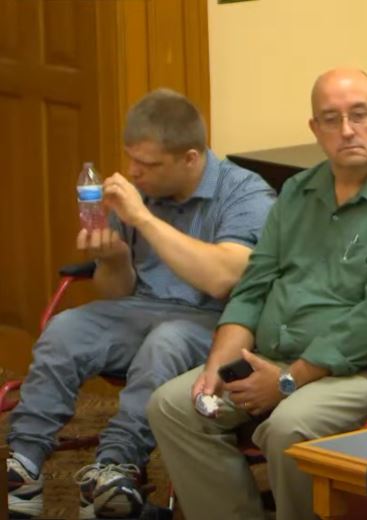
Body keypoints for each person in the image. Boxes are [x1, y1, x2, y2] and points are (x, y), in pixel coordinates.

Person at [147, 68, 367, 520]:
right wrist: (217, 365)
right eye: (331, 119)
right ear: (315, 129)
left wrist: (288, 381)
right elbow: (253, 286)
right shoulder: (297, 191)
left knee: (290, 426)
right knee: (174, 406)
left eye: (359, 114)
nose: (347, 130)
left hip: (360, 372)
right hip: (270, 359)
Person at [6, 88, 276, 519]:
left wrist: (144, 220)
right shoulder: (140, 194)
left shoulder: (244, 193)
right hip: (140, 309)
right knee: (65, 329)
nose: (134, 173)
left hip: (215, 320)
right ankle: (25, 462)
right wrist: (112, 258)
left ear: (191, 157)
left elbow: (225, 277)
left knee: (165, 342)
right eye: (131, 159)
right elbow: (116, 291)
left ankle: (114, 465)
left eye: (148, 165)